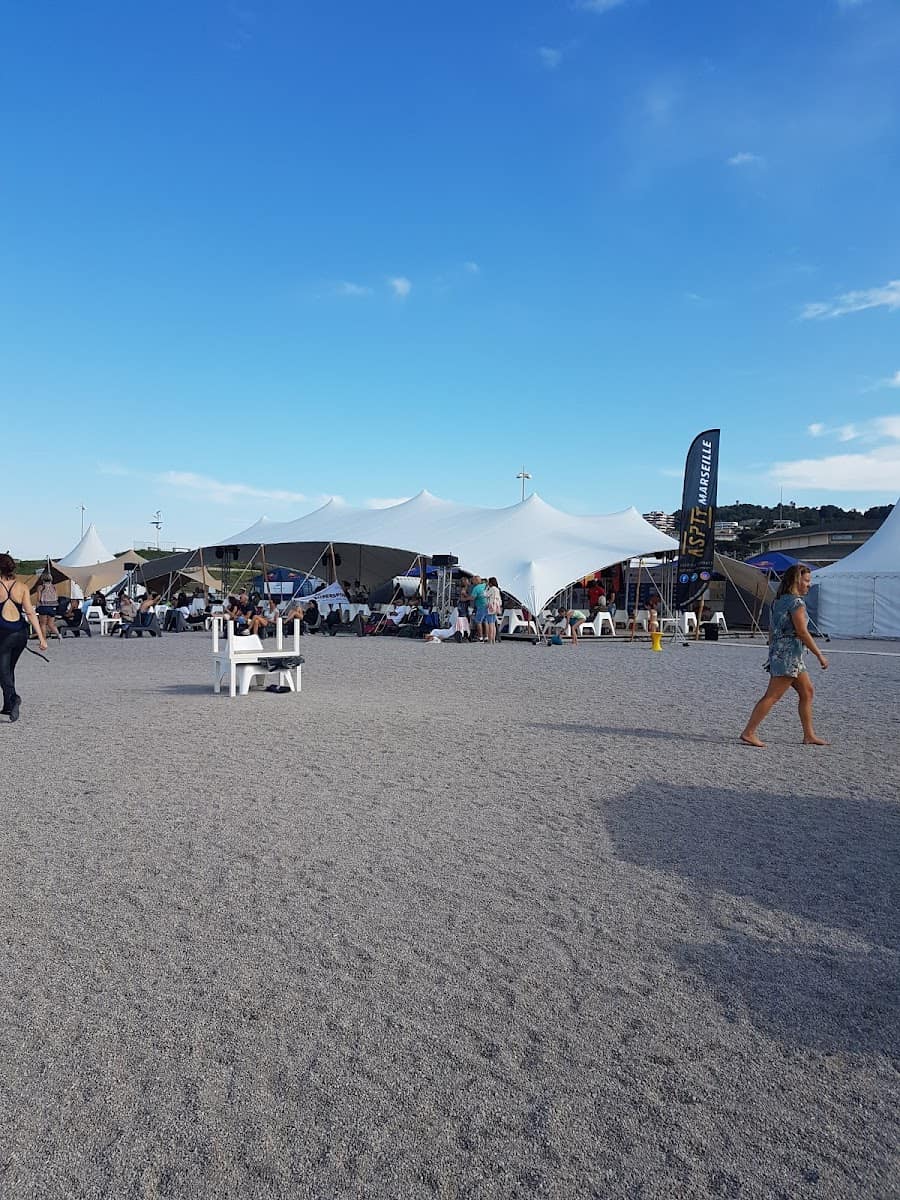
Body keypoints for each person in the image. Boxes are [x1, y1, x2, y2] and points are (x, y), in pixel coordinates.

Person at [740, 564, 828, 748]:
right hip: (789, 655)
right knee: (772, 696)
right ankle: (749, 732)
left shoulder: (778, 600)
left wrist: (773, 648)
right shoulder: (797, 603)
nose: (808, 585)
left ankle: (809, 734)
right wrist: (819, 655)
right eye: (806, 581)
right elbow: (802, 632)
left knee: (807, 691)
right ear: (797, 580)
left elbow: (772, 630)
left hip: (784, 653)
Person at [0, 553, 46, 722]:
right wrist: (41, 637)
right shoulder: (22, 587)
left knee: (2, 671)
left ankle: (14, 699)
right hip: (21, 634)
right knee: (8, 669)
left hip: (4, 634)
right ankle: (7, 706)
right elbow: (31, 613)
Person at [35, 573, 60, 640]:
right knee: (51, 624)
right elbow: (56, 596)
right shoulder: (54, 587)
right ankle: (58, 635)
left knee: (43, 624)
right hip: (53, 607)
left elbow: (39, 598)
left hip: (44, 606)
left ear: (42, 579)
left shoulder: (40, 587)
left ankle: (43, 639)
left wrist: (37, 606)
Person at [484, 576, 502, 644]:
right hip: (496, 607)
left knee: (490, 624)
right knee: (493, 624)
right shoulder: (497, 589)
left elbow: (485, 595)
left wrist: (486, 588)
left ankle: (490, 639)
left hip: (491, 607)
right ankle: (493, 639)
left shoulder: (491, 589)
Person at [470, 575, 488, 642]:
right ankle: (486, 637)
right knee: (485, 621)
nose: (472, 582)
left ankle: (480, 637)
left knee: (478, 621)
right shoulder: (485, 585)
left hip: (481, 606)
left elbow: (472, 598)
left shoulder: (476, 588)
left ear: (476, 580)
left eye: (473, 580)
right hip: (487, 605)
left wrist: (466, 598)